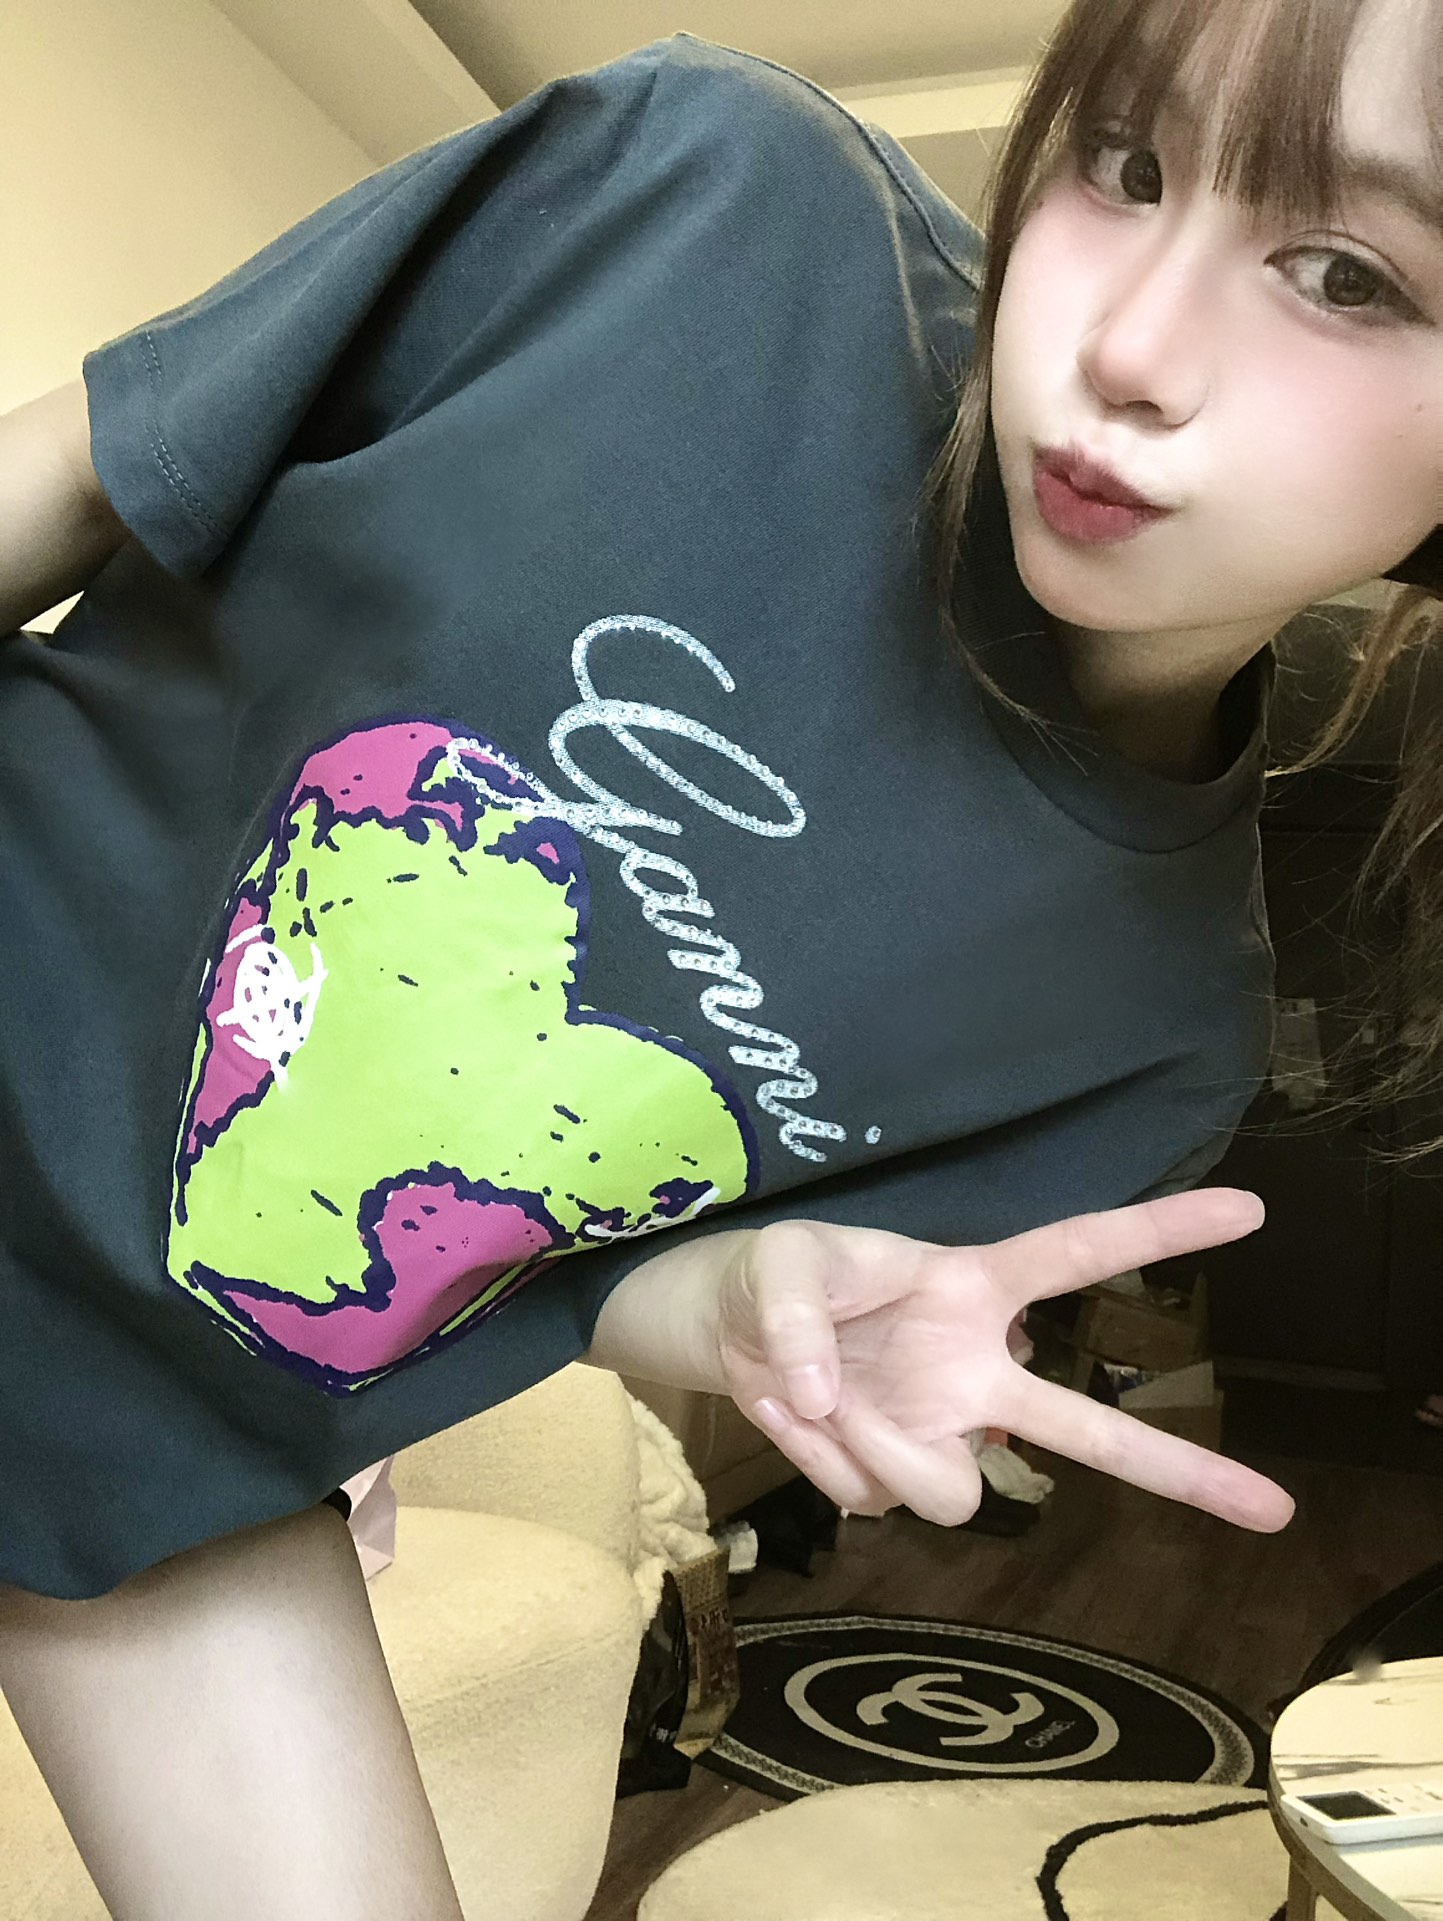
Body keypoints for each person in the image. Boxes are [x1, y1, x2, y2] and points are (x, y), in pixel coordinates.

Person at [1, 0, 1439, 1909]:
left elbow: (569, 1279)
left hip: (156, 1460)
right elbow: (85, 471)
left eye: (1347, 275)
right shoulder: (707, 199)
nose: (1128, 350)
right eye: (1126, 163)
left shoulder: (1150, 1044)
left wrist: (753, 1302)